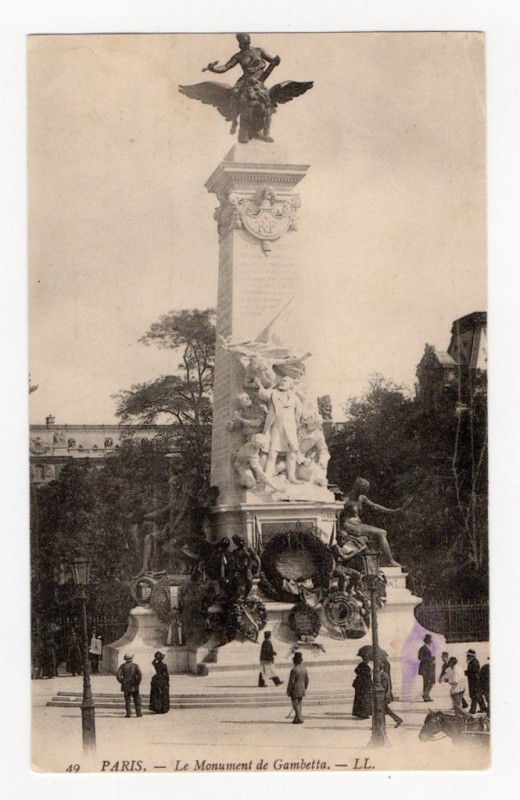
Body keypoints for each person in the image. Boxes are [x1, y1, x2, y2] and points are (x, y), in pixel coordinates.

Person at [204, 34, 281, 137]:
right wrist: (213, 69)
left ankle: (265, 131)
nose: (246, 45)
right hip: (245, 81)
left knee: (267, 101)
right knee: (235, 93)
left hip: (259, 81)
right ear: (240, 44)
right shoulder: (238, 56)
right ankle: (234, 120)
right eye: (244, 43)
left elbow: (273, 61)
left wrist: (276, 60)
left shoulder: (259, 50)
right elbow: (225, 67)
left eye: (248, 43)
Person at [341, 477, 402, 567]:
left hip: (359, 525)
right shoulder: (347, 500)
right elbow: (337, 513)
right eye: (363, 489)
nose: (365, 491)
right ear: (357, 488)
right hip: (349, 525)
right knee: (382, 533)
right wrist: (340, 530)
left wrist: (392, 511)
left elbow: (375, 506)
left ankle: (385, 561)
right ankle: (389, 561)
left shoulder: (362, 498)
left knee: (381, 533)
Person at [254, 375, 303, 482]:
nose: (282, 382)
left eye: (285, 381)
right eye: (281, 381)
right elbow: (262, 394)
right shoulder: (273, 393)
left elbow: (298, 414)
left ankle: (291, 476)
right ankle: (267, 475)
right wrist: (258, 385)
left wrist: (297, 427)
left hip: (290, 428)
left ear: (291, 385)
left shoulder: (295, 398)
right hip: (276, 427)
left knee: (292, 453)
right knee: (272, 452)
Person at [116, 652, 143, 718]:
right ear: (132, 658)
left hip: (126, 686)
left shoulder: (122, 666)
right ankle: (138, 713)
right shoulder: (135, 666)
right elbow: (140, 675)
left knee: (127, 700)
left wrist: (122, 682)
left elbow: (118, 675)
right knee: (137, 699)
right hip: (134, 685)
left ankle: (128, 713)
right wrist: (137, 683)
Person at [287, 652, 309, 724]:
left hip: (295, 690)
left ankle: (300, 717)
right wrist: (304, 688)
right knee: (299, 704)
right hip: (302, 689)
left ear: (294, 661)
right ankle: (296, 719)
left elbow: (291, 682)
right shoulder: (304, 669)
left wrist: (289, 690)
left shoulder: (294, 670)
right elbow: (307, 680)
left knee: (295, 704)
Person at [465, 649, 487, 714]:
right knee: (477, 695)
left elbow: (473, 672)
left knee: (474, 695)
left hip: (474, 682)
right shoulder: (473, 661)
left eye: (467, 655)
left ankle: (473, 710)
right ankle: (483, 708)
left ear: (471, 656)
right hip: (474, 681)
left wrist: (465, 673)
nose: (466, 656)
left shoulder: (474, 662)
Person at [352, 652, 372, 719]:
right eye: (368, 659)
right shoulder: (364, 665)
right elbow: (367, 675)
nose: (369, 660)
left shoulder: (361, 665)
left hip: (360, 684)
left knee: (360, 699)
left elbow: (356, 671)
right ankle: (363, 713)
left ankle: (360, 713)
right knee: (363, 699)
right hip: (363, 684)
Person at [417, 634, 436, 702]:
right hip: (425, 669)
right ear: (426, 641)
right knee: (427, 682)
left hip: (429, 669)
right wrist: (431, 658)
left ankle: (426, 695)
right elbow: (420, 658)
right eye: (429, 640)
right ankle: (426, 695)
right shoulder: (423, 648)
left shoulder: (428, 648)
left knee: (430, 682)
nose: (430, 641)